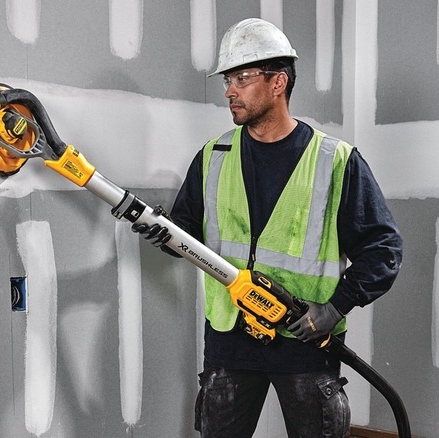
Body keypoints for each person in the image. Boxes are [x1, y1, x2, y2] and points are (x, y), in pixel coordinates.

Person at [133, 17, 403, 437]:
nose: (229, 91)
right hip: (229, 344)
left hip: (305, 345)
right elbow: (188, 235)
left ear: (278, 83)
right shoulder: (213, 156)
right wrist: (163, 233)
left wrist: (334, 308)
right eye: (228, 79)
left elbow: (383, 249)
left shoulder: (335, 161)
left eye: (242, 77)